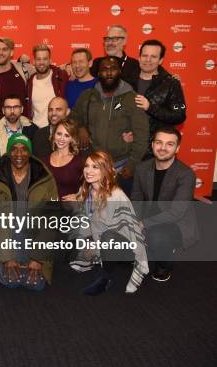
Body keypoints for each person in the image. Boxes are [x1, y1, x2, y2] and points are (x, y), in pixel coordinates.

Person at [64, 151, 148, 295]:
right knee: (69, 250)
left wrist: (94, 248)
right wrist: (84, 241)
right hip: (101, 239)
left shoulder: (116, 196)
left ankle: (106, 277)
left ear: (105, 170)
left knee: (109, 237)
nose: (88, 171)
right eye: (87, 166)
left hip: (126, 247)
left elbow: (130, 232)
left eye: (95, 167)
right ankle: (97, 258)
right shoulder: (88, 189)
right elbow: (86, 218)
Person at [0, 134, 59, 291]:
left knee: (36, 285)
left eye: (24, 149)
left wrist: (38, 258)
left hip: (34, 233)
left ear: (30, 153)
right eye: (14, 149)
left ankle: (31, 262)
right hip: (8, 234)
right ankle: (16, 261)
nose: (19, 154)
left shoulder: (45, 178)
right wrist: (6, 258)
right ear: (8, 152)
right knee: (11, 282)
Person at [71, 56, 149, 196]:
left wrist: (132, 164)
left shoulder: (132, 98)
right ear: (98, 73)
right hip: (93, 166)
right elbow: (72, 119)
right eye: (104, 70)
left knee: (119, 213)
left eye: (113, 69)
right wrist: (80, 127)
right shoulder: (88, 96)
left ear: (119, 71)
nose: (108, 73)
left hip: (121, 167)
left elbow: (142, 135)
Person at [131, 127, 198, 282]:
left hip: (176, 221)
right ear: (153, 145)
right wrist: (133, 220)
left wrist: (143, 224)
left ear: (177, 148)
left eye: (169, 144)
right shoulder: (142, 168)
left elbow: (176, 212)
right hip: (150, 214)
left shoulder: (186, 175)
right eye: (159, 142)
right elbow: (136, 198)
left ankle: (164, 265)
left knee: (157, 237)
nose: (163, 148)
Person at [134, 39, 187, 151]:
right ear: (139, 58)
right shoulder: (127, 80)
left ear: (160, 60)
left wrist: (150, 107)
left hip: (155, 150)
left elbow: (179, 116)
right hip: (128, 148)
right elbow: (117, 107)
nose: (148, 60)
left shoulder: (171, 83)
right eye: (145, 55)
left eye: (153, 56)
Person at [26, 44, 68, 128]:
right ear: (34, 61)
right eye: (38, 59)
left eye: (45, 59)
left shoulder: (60, 76)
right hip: (36, 130)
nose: (41, 62)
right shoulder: (29, 82)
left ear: (50, 60)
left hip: (56, 129)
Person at [41, 118, 84, 198]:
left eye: (66, 135)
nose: (61, 138)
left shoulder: (79, 162)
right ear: (54, 135)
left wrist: (78, 196)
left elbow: (89, 186)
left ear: (72, 138)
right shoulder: (44, 161)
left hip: (70, 209)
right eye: (59, 134)